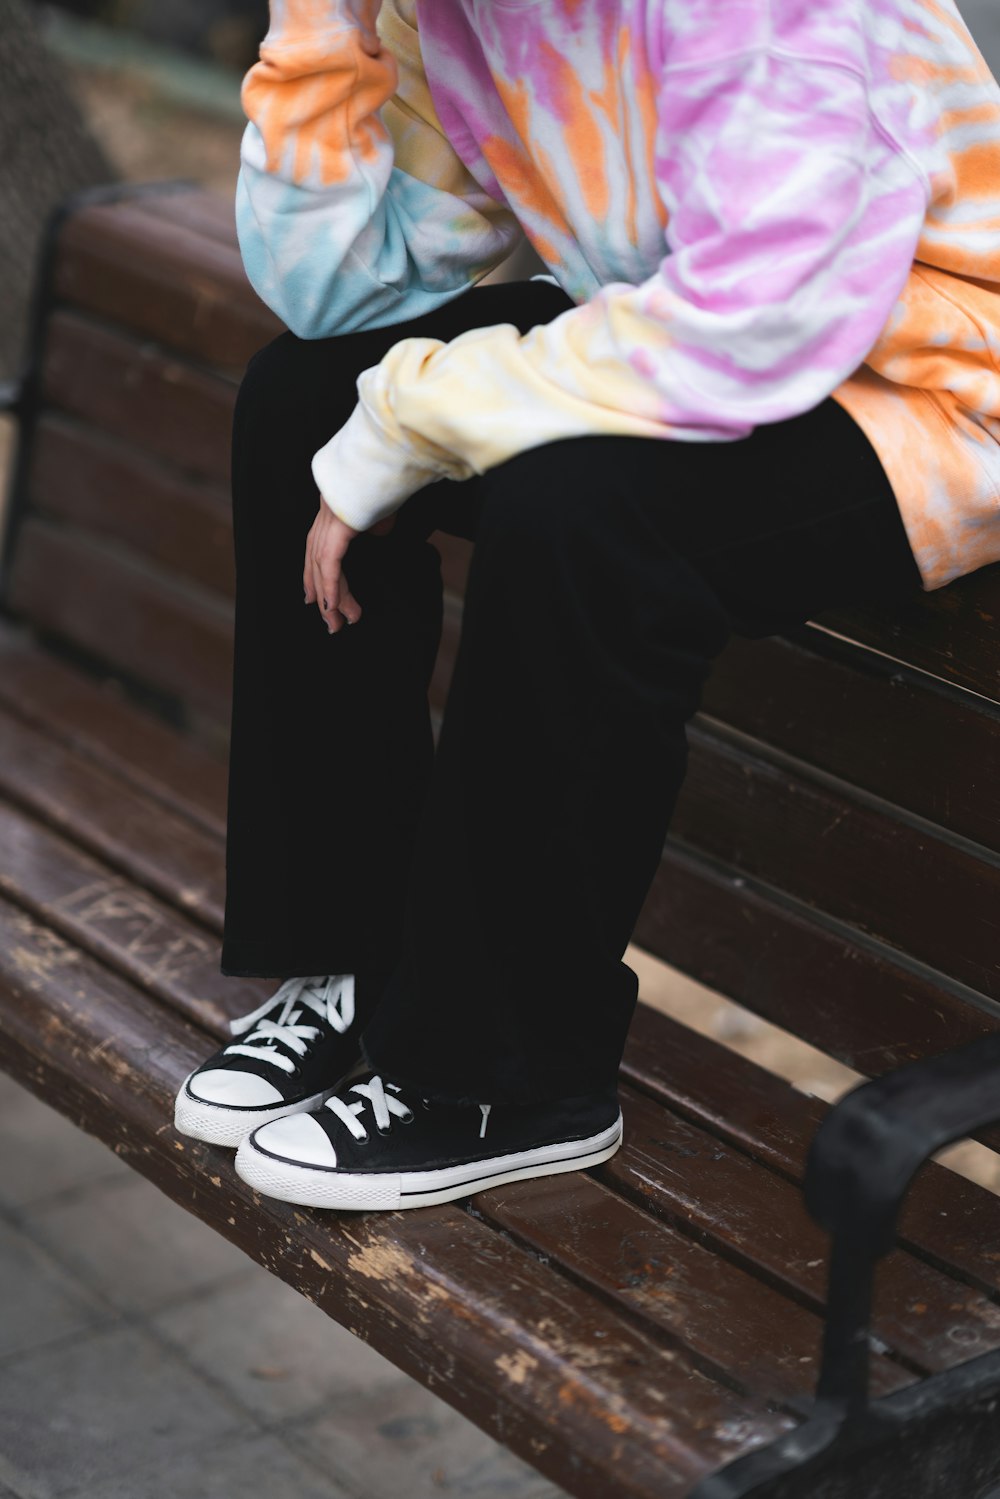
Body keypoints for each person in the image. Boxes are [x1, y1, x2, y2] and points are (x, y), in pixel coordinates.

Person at [173, 0, 1000, 1212]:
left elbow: (756, 317)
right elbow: (337, 292)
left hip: (927, 384)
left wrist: (411, 416)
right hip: (690, 330)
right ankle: (361, 962)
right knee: (302, 397)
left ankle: (510, 1078)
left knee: (582, 508)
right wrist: (318, 27)